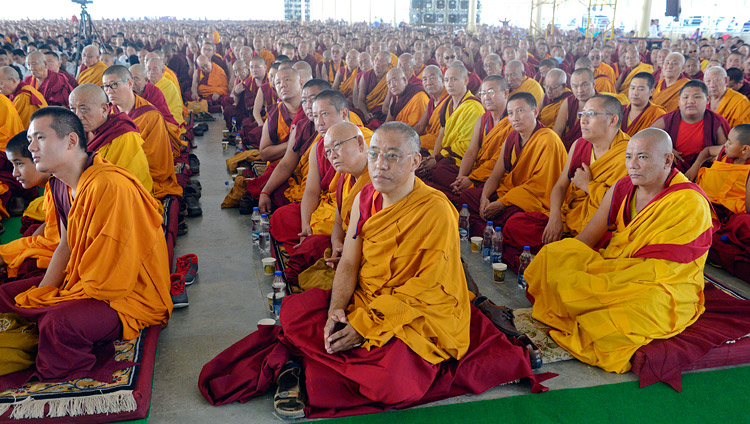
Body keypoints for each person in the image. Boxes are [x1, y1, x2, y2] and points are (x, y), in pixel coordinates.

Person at [199, 122, 539, 418]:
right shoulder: (365, 198)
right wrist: (337, 310)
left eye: (393, 156)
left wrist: (364, 324)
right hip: (369, 297)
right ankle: (309, 364)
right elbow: (349, 261)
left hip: (418, 310)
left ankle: (301, 368)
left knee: (395, 383)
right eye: (375, 154)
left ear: (415, 162)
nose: (380, 164)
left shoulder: (435, 210)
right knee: (299, 312)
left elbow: (427, 285)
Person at [0, 106, 171, 383]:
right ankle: (42, 328)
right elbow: (65, 245)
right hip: (83, 281)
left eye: (39, 138)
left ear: (70, 141)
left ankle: (49, 343)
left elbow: (113, 277)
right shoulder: (59, 184)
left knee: (58, 323)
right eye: (31, 139)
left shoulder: (110, 186)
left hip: (124, 295)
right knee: (7, 294)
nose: (30, 147)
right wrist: (45, 292)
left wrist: (57, 301)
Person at [526, 128, 713, 374]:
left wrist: (602, 277)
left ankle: (588, 309)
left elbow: (671, 269)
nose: (632, 165)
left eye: (642, 157)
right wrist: (570, 259)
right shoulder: (623, 187)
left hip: (660, 283)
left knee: (630, 312)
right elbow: (587, 238)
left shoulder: (689, 202)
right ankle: (585, 301)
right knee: (553, 256)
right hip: (616, 267)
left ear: (667, 160)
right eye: (628, 157)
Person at [502, 95, 629, 269]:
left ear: (613, 120)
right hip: (569, 219)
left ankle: (553, 258)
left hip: (599, 231)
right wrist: (554, 219)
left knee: (605, 253)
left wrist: (587, 186)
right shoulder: (579, 145)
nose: (583, 121)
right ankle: (555, 256)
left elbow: (619, 207)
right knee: (515, 224)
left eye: (590, 115)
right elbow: (560, 186)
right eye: (582, 114)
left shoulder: (628, 155)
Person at [269, 88, 372, 251]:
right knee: (281, 218)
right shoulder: (319, 146)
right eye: (316, 116)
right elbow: (311, 191)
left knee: (315, 242)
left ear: (344, 114)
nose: (319, 122)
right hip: (328, 206)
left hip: (351, 212)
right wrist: (305, 226)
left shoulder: (363, 141)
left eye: (325, 114)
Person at [458, 92, 567, 237]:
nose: (514, 117)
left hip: (534, 202)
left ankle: (493, 233)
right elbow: (495, 176)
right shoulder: (512, 137)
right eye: (510, 113)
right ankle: (494, 232)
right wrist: (484, 197)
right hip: (512, 194)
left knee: (516, 223)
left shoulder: (548, 140)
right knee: (468, 197)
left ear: (535, 112)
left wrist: (503, 203)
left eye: (520, 111)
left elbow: (540, 187)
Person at [103, 66, 182, 201]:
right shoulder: (106, 115)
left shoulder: (151, 116)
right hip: (112, 176)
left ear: (129, 83)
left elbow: (156, 162)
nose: (109, 91)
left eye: (114, 85)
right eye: (105, 86)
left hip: (142, 176)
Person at [429, 75, 512, 203]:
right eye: (483, 93)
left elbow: (499, 162)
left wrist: (472, 179)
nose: (486, 97)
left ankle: (458, 197)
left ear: (506, 93)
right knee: (440, 172)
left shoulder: (512, 122)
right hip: (477, 171)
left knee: (470, 196)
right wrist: (461, 177)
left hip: (497, 177)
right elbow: (471, 151)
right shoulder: (482, 120)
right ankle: (457, 193)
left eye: (491, 92)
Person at [68, 84, 153, 192]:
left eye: (84, 109)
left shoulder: (123, 135)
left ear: (104, 109)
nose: (77, 115)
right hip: (82, 189)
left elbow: (125, 184)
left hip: (114, 195)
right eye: (72, 109)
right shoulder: (76, 132)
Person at [0, 131, 58, 281]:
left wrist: (18, 252)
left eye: (19, 164)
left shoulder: (65, 188)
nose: (14, 173)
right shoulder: (53, 187)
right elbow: (49, 224)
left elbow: (65, 245)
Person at [697, 124, 750, 281]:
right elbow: (707, 150)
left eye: (730, 142)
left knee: (745, 223)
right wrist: (694, 168)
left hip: (734, 215)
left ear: (745, 149)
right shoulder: (723, 153)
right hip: (707, 206)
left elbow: (748, 208)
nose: (725, 144)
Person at [418, 63, 484, 186]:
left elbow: (466, 146)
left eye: (454, 79)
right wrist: (434, 156)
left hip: (460, 160)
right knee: (419, 157)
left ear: (465, 80)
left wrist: (438, 159)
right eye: (447, 80)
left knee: (438, 173)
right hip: (446, 155)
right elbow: (442, 133)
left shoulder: (473, 108)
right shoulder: (448, 103)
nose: (449, 83)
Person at [651, 80, 729, 175]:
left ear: (708, 100)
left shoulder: (716, 121)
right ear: (679, 101)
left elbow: (726, 150)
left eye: (697, 97)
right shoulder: (667, 119)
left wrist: (699, 163)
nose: (690, 101)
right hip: (670, 172)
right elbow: (648, 139)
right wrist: (665, 148)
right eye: (685, 97)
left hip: (705, 173)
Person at [553, 68, 596, 150]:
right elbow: (557, 130)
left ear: (593, 84)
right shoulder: (569, 102)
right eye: (575, 86)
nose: (579, 90)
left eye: (584, 85)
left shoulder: (602, 104)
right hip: (568, 149)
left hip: (591, 151)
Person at [413, 64, 449, 151]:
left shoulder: (450, 99)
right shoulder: (431, 101)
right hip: (431, 139)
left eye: (432, 78)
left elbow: (446, 134)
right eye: (424, 79)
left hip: (443, 141)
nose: (428, 82)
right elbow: (420, 126)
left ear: (442, 79)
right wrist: (405, 136)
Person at [355, 51, 392, 124]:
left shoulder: (390, 77)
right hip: (366, 110)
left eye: (382, 60)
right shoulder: (365, 76)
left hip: (381, 113)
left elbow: (389, 104)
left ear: (388, 65)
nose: (377, 63)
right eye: (376, 59)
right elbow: (361, 100)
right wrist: (366, 113)